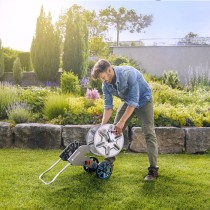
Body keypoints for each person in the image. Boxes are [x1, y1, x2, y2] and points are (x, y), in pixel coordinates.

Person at [91, 59, 158, 181]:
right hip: (128, 101)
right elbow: (108, 107)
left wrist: (122, 123)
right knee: (113, 131)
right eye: (101, 78)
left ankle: (153, 169)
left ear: (109, 70)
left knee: (149, 133)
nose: (103, 80)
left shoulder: (128, 73)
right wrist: (102, 125)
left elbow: (134, 102)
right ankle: (108, 162)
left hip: (144, 100)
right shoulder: (105, 84)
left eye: (103, 77)